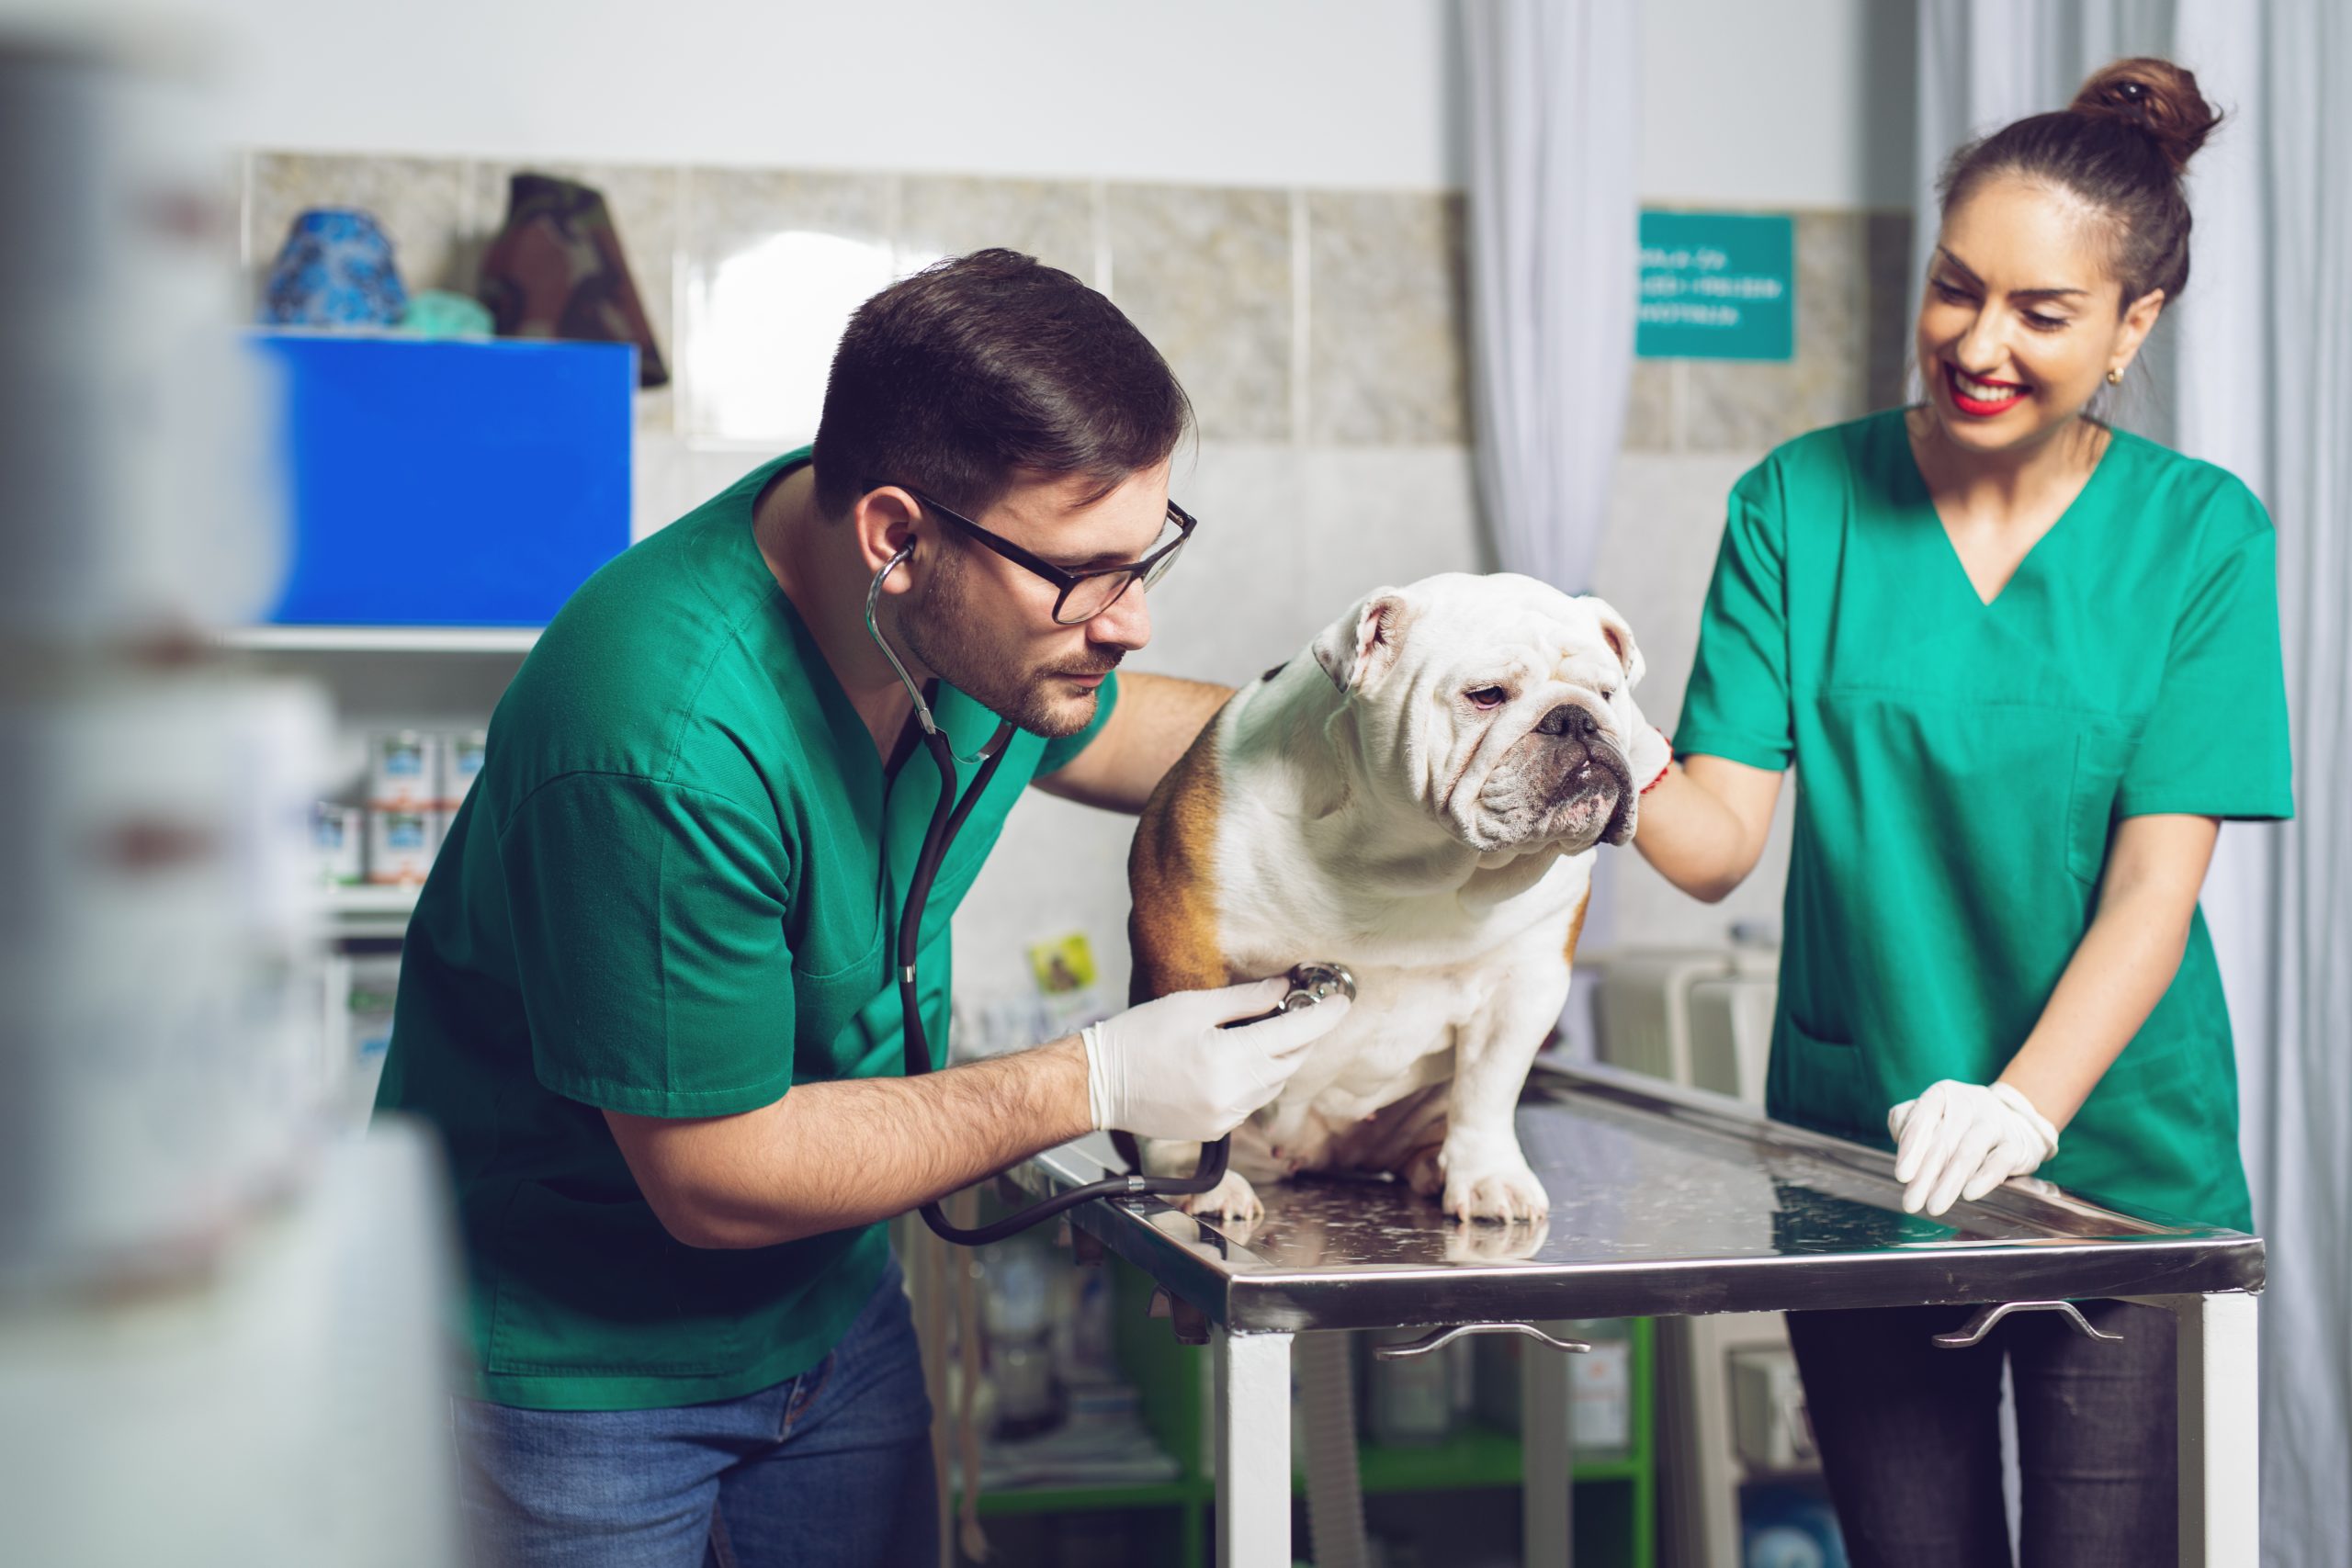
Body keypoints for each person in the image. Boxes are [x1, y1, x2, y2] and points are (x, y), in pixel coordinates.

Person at [375, 249, 1352, 1567]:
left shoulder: (968, 620)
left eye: (1147, 559)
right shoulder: (657, 734)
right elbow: (712, 1177)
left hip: (831, 1315)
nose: (1128, 626)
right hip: (576, 1366)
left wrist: (1391, 745)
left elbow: (1169, 748)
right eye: (1088, 573)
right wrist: (1099, 1079)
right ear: (897, 535)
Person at [1625, 59, 2291, 1566]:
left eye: (2041, 313)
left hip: (2118, 1174)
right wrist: (1592, 749)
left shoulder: (2198, 537)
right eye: (1954, 289)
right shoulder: (1798, 503)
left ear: (2133, 328)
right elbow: (1718, 832)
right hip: (1867, 1164)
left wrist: (2023, 1109)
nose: (1978, 344)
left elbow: (2154, 892)